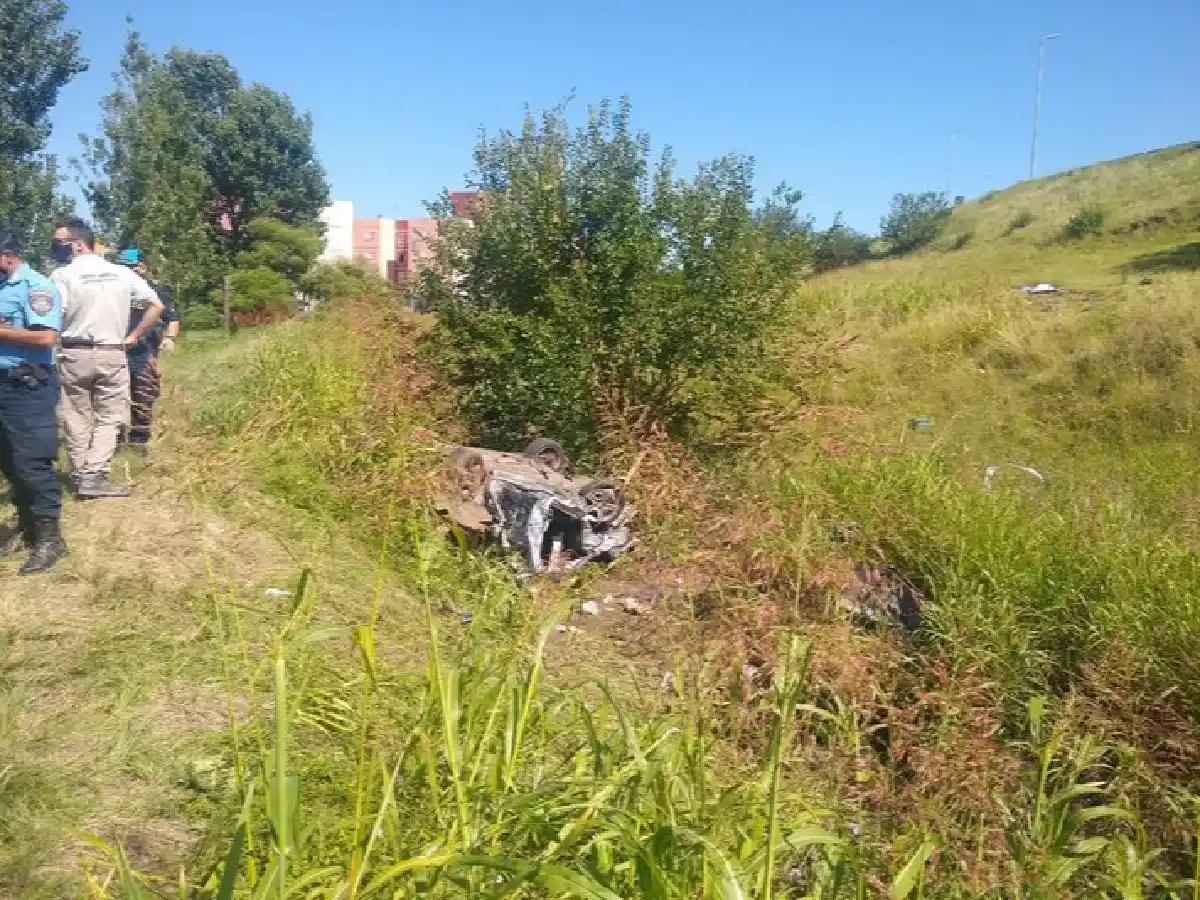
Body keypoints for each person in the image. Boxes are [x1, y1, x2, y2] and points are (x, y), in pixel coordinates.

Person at [50, 218, 163, 498]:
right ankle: (94, 473)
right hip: (113, 351)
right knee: (110, 416)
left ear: (78, 244)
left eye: (60, 242)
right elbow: (156, 305)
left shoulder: (61, 276)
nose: (56, 247)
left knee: (76, 415)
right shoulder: (120, 273)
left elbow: (54, 316)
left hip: (74, 352)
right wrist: (134, 336)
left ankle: (80, 473)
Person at [0, 226, 68, 573]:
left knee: (32, 462)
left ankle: (50, 539)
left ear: (8, 255)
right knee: (8, 462)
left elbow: (45, 338)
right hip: (3, 384)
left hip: (26, 385)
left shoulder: (36, 287)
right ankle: (26, 527)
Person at [115, 248, 180, 453]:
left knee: (143, 393)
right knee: (114, 396)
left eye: (133, 266)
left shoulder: (156, 291)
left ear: (143, 266)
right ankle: (114, 439)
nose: (130, 271)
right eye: (125, 267)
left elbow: (172, 318)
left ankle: (139, 440)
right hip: (114, 349)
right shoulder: (112, 290)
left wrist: (169, 338)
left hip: (144, 350)